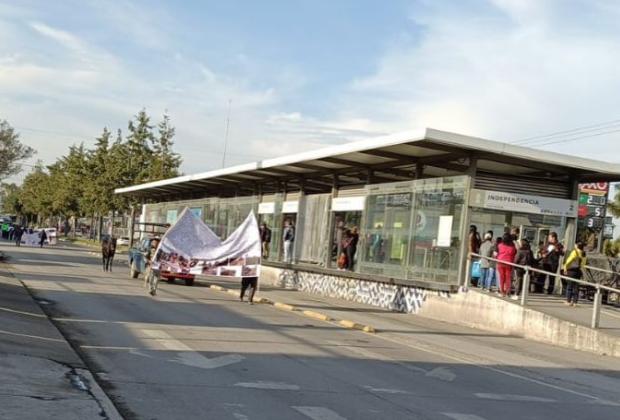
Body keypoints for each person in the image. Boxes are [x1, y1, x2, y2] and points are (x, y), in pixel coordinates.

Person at [562, 241, 586, 306]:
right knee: (576, 287)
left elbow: (569, 260)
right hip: (578, 271)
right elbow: (583, 264)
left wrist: (565, 268)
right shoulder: (583, 253)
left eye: (575, 244)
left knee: (569, 286)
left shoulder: (574, 252)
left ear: (577, 246)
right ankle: (575, 302)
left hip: (571, 271)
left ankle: (568, 301)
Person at [496, 233, 517, 297]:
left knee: (502, 277)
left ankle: (502, 292)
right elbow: (514, 253)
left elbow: (496, 253)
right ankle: (508, 292)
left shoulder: (499, 245)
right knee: (508, 278)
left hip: (500, 262)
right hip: (509, 263)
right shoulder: (512, 247)